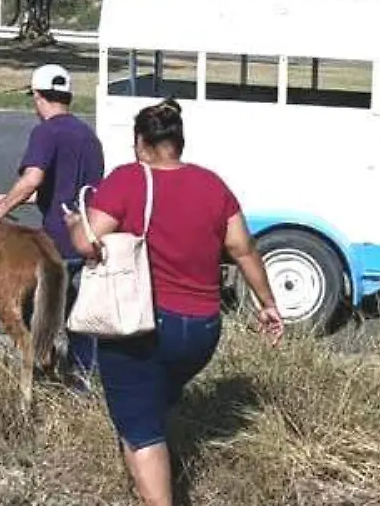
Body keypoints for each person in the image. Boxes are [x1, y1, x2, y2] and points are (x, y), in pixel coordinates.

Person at [63, 97, 283, 506]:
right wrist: (267, 303)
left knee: (140, 428)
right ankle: (150, 477)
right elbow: (244, 249)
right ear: (178, 143)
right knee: (150, 403)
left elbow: (86, 244)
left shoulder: (129, 179)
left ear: (140, 143)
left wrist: (75, 222)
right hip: (202, 330)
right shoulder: (212, 185)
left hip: (143, 324)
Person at [0, 63, 105, 386]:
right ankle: (84, 384)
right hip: (89, 239)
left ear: (38, 96)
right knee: (81, 320)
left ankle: (36, 380)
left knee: (37, 317)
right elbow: (73, 191)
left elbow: (32, 178)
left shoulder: (46, 132)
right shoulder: (88, 136)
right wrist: (9, 199)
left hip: (58, 243)